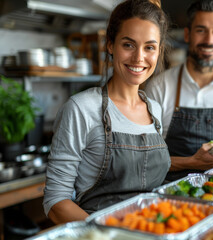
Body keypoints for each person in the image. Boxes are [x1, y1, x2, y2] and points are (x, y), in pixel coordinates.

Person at [43, 0, 171, 224]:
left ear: (159, 52)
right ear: (110, 45)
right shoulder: (81, 108)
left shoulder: (156, 110)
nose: (139, 57)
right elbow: (55, 201)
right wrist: (113, 233)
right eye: (128, 45)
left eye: (149, 47)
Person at [145, 0, 213, 181]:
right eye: (201, 30)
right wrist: (192, 162)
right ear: (188, 34)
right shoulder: (159, 87)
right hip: (169, 194)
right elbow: (146, 158)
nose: (209, 40)